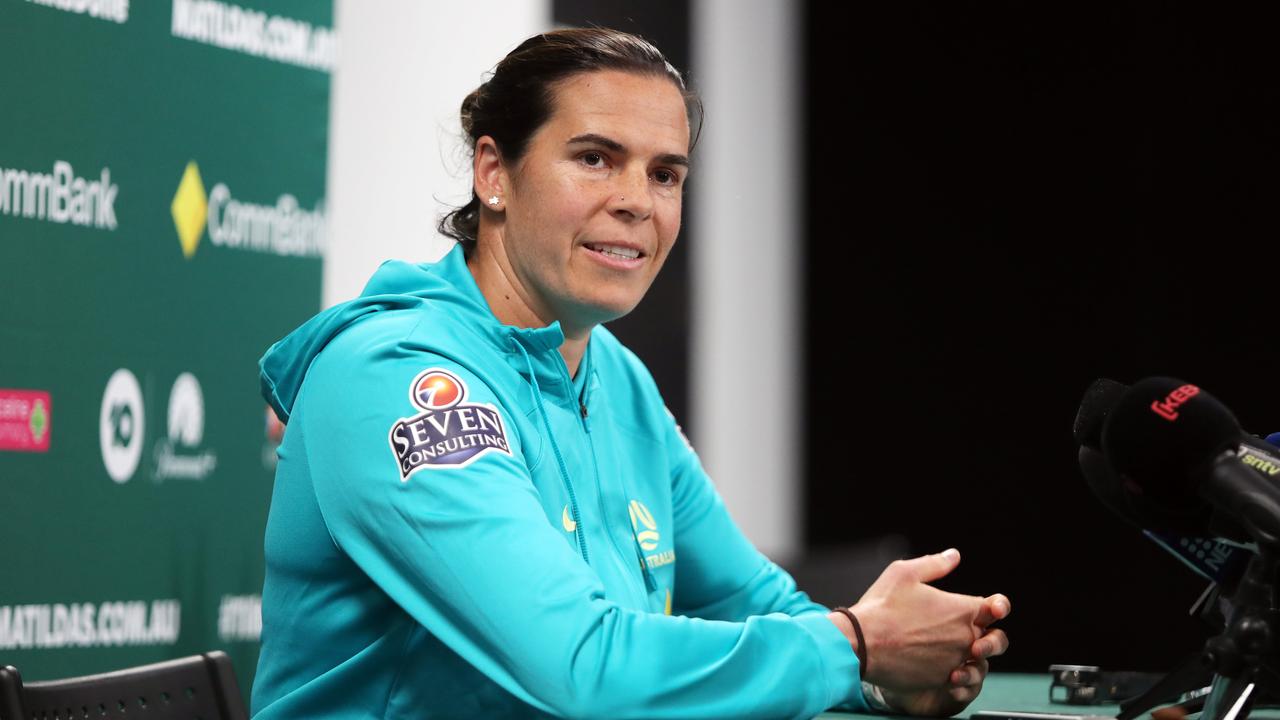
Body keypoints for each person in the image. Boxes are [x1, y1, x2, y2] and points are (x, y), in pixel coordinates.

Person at [249, 27, 1010, 719]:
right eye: (594, 159)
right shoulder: (393, 376)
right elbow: (582, 669)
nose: (636, 203)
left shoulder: (614, 376)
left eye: (665, 174)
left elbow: (751, 599)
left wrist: (890, 669)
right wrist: (857, 645)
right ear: (494, 173)